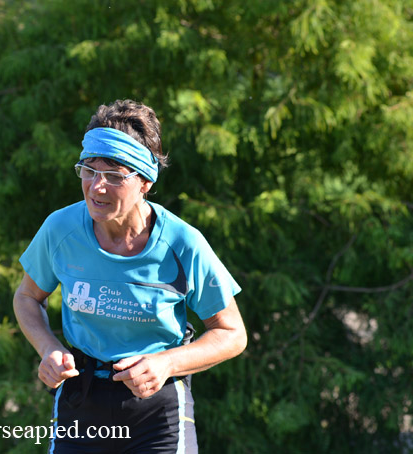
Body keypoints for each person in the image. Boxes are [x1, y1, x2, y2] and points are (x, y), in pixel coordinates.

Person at [13, 99, 247, 453]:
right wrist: (49, 349)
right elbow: (27, 297)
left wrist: (167, 363)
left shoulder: (182, 243)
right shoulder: (60, 229)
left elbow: (231, 333)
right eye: (88, 170)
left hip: (157, 410)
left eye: (114, 176)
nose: (97, 187)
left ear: (145, 182)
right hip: (81, 399)